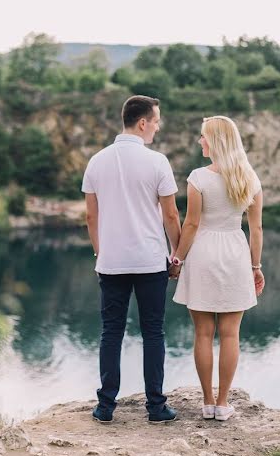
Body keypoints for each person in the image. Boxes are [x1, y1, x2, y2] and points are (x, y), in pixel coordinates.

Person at [81, 95, 182, 423]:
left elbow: (90, 217)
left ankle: (106, 407)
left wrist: (100, 252)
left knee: (111, 332)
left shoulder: (96, 161)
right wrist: (177, 255)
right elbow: (170, 215)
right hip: (151, 261)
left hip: (111, 263)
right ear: (142, 123)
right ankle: (155, 407)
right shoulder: (158, 162)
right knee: (153, 332)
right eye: (156, 120)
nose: (158, 125)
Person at [169, 115, 265, 422]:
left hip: (203, 255)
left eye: (203, 137)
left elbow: (192, 223)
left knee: (202, 333)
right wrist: (256, 266)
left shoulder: (198, 177)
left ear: (216, 141)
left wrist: (177, 259)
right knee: (230, 335)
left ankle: (207, 402)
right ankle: (223, 404)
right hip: (235, 255)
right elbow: (257, 229)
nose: (200, 141)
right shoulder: (249, 178)